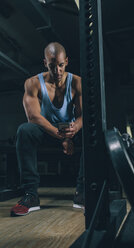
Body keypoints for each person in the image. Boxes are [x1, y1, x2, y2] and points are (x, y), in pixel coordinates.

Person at [10, 42, 84, 216]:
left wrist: (73, 131)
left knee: (92, 132)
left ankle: (82, 193)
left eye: (60, 65)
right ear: (45, 63)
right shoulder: (33, 83)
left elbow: (84, 115)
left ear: (66, 61)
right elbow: (34, 117)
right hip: (47, 130)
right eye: (52, 66)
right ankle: (30, 195)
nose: (57, 71)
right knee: (24, 130)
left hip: (72, 130)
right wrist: (62, 138)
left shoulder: (77, 82)